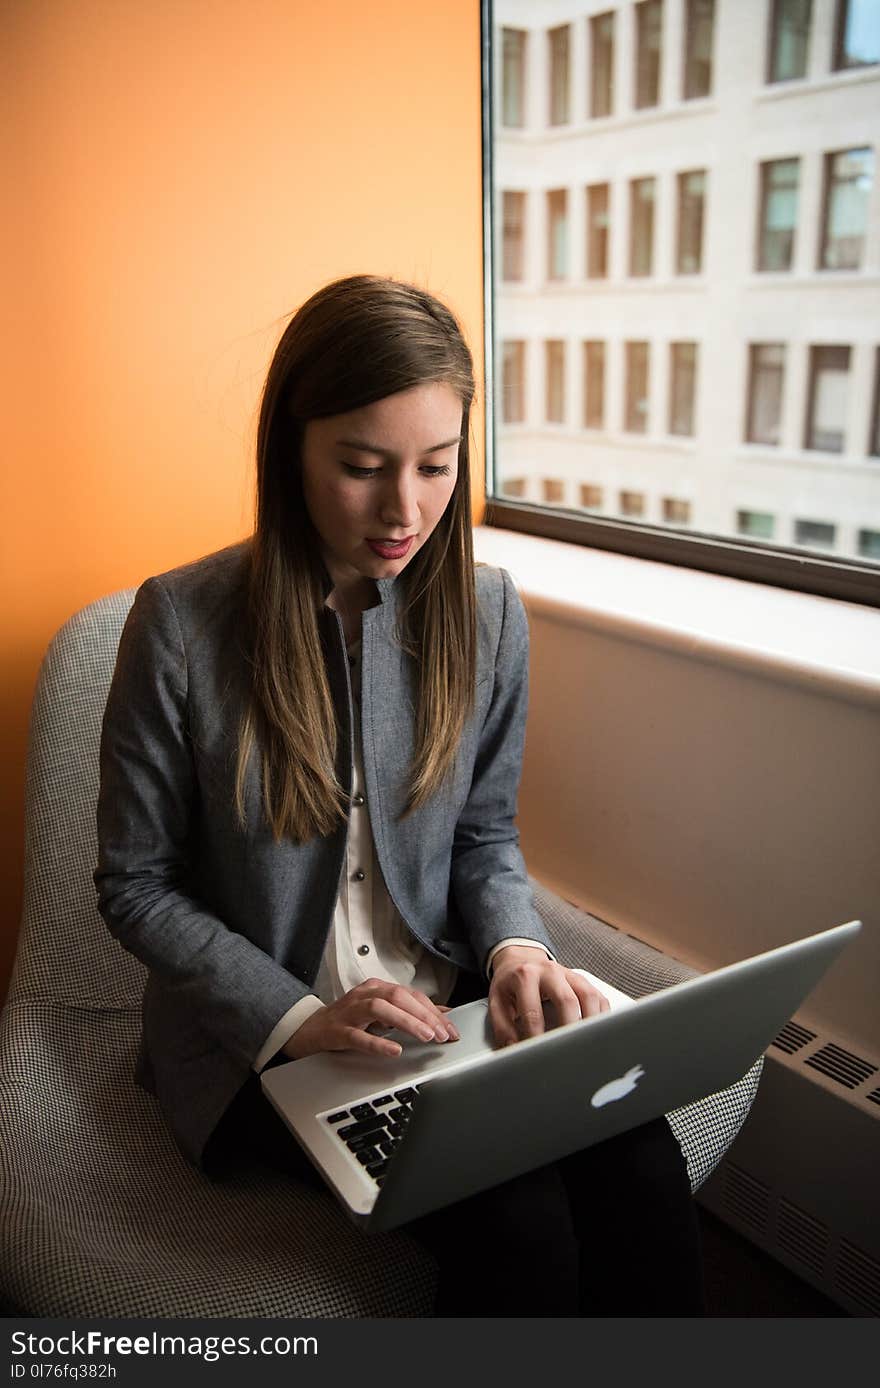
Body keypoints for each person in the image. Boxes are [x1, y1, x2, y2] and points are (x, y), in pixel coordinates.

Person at [94, 274, 706, 1316]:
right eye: (362, 467)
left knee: (640, 1163)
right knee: (519, 1221)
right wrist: (297, 1017)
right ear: (291, 449)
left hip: (446, 1006)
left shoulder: (486, 610)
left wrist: (517, 947)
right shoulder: (181, 624)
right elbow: (135, 883)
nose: (405, 509)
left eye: (436, 465)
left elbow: (483, 832)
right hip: (269, 1041)